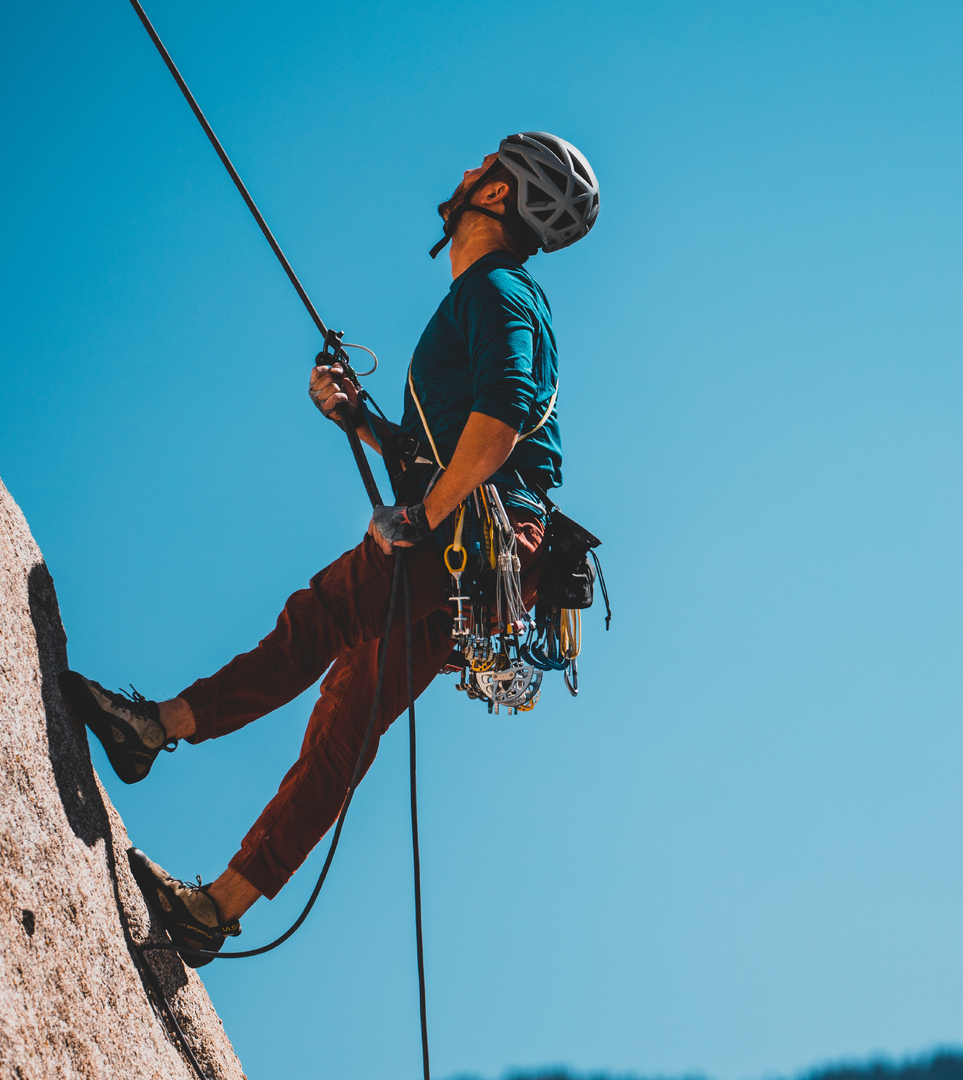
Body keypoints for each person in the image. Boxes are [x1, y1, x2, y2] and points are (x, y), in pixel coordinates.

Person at [63, 132, 599, 966]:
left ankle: (150, 729)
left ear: (495, 195)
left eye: (480, 167)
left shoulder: (497, 292)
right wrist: (359, 420)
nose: (463, 172)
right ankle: (217, 909)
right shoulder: (489, 296)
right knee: (347, 717)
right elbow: (460, 443)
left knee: (315, 623)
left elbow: (500, 424)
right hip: (496, 561)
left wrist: (422, 517)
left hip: (471, 536)